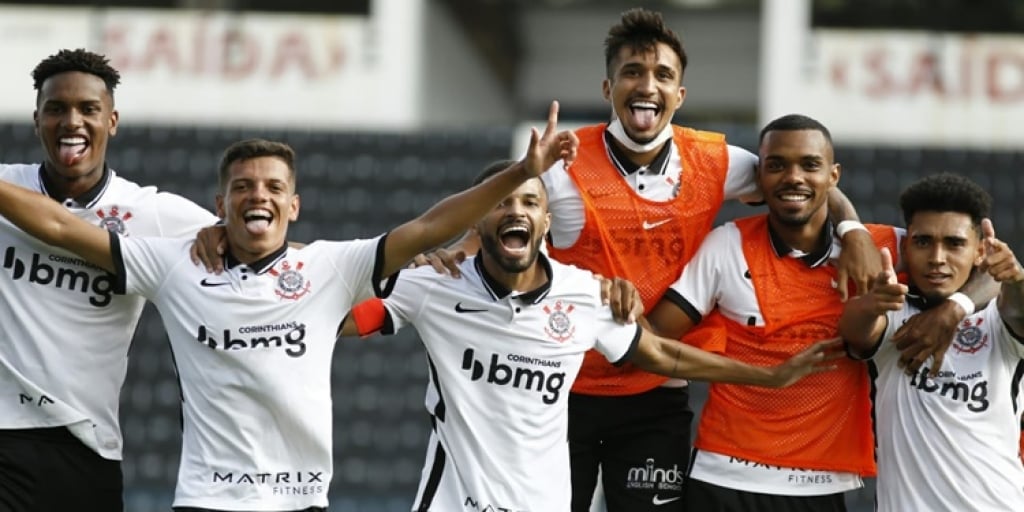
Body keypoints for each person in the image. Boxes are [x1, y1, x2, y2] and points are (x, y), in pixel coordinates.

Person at [412, 9, 886, 512]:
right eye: (632, 73)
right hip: (562, 386)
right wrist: (457, 248)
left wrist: (852, 227)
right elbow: (503, 207)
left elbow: (797, 181)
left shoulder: (716, 161)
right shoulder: (564, 164)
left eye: (663, 75)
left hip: (655, 388)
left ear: (680, 95)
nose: (648, 85)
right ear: (607, 88)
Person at [0, 100, 577, 511]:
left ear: (294, 205)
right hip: (208, 500)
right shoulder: (174, 264)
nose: (259, 196)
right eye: (245, 188)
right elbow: (58, 224)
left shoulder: (328, 268)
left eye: (274, 188)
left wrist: (525, 171)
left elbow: (429, 225)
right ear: (219, 204)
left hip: (302, 501)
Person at [339, 159, 840, 512]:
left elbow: (663, 355)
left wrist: (769, 375)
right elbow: (337, 311)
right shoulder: (434, 285)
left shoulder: (583, 295)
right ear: (476, 220)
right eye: (502, 203)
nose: (517, 212)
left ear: (546, 221)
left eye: (531, 203)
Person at [643, 114, 901, 511]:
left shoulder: (879, 249)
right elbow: (651, 343)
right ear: (758, 179)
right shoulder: (726, 246)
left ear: (834, 176)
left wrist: (955, 308)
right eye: (776, 165)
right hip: (722, 478)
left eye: (809, 165)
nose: (793, 177)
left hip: (818, 486)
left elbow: (980, 265)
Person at [0, 48, 220, 511]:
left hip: (89, 447)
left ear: (112, 121)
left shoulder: (151, 214)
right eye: (56, 109)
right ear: (36, 119)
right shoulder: (8, 189)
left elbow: (261, 253)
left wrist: (395, 263)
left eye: (88, 109)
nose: (72, 122)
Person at [840, 173, 1024, 511]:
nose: (937, 257)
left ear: (980, 250)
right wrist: (870, 302)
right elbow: (855, 329)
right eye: (923, 242)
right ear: (905, 246)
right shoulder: (894, 312)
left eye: (954, 244)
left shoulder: (1000, 319)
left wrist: (1014, 278)